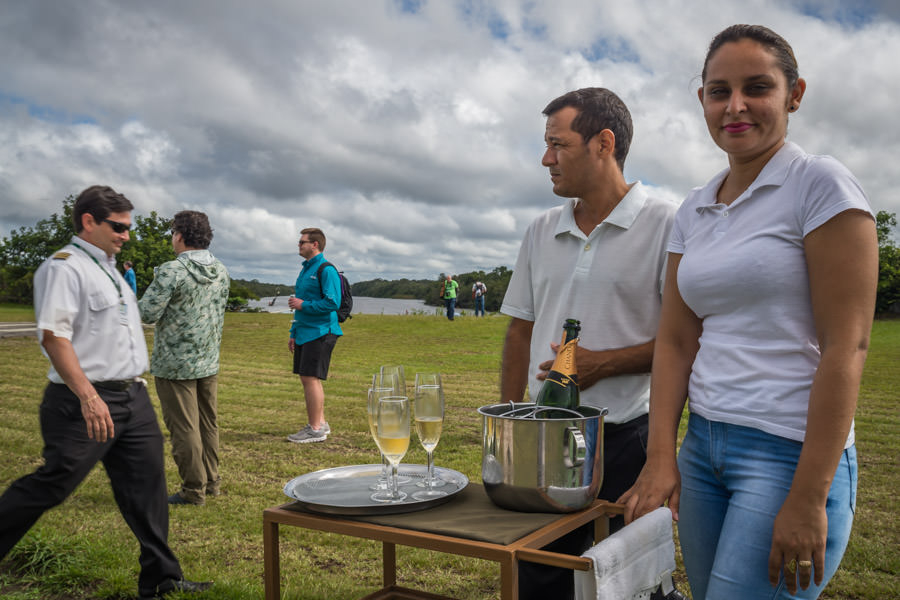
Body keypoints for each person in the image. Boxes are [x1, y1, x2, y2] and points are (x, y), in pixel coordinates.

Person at [619, 24, 877, 600]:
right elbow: (677, 341)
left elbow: (848, 346)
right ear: (703, 101)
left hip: (786, 451)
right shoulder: (694, 208)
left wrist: (810, 495)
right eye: (718, 91)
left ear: (795, 94)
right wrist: (662, 456)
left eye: (757, 87)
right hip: (704, 448)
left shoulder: (820, 185)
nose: (735, 106)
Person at [500, 88, 679, 600]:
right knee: (536, 568)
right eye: (545, 144)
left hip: (629, 439)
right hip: (542, 437)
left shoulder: (668, 225)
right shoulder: (540, 230)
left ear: (604, 143)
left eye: (558, 145)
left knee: (624, 576)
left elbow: (685, 341)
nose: (546, 159)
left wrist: (606, 364)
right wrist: (513, 426)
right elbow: (519, 329)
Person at [0, 185, 210, 599]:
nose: (126, 235)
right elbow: (54, 336)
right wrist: (89, 397)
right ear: (88, 222)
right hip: (84, 401)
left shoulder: (110, 268)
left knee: (147, 488)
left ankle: (161, 579)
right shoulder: (64, 267)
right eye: (118, 226)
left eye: (128, 227)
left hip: (131, 397)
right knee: (54, 484)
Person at [139, 210, 230, 506]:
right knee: (207, 423)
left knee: (184, 428)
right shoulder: (222, 270)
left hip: (175, 362)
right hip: (208, 358)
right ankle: (212, 481)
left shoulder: (171, 271)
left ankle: (193, 489)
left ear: (179, 235)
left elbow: (147, 313)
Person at [286, 228, 342, 443]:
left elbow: (332, 303)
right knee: (308, 378)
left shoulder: (326, 269)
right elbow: (299, 306)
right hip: (304, 331)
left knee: (311, 378)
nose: (299, 245)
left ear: (315, 244)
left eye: (302, 242)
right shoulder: (305, 269)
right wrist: (293, 332)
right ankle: (321, 423)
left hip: (321, 331)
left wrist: (304, 304)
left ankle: (315, 429)